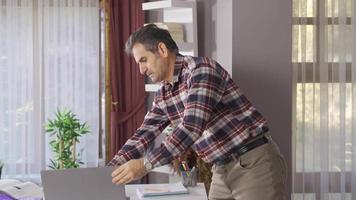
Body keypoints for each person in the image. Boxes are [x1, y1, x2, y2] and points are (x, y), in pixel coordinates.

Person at [108, 24, 287, 200]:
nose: (141, 70)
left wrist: (144, 165)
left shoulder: (200, 71)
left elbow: (191, 128)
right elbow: (143, 134)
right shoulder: (164, 94)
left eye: (143, 60)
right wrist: (106, 172)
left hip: (252, 162)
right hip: (220, 168)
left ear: (162, 49)